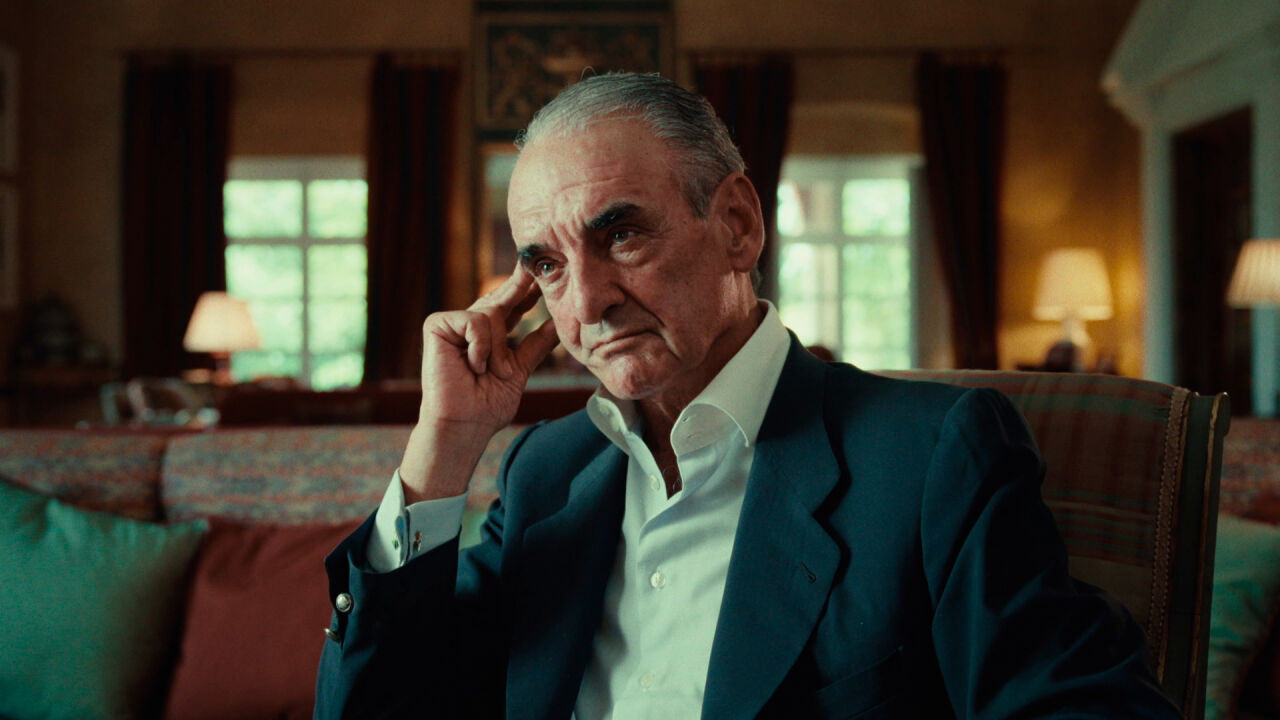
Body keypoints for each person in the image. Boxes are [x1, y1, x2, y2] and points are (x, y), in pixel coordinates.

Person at [316, 72, 1179, 718]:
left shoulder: (931, 455)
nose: (585, 302)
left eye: (621, 234)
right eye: (545, 264)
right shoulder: (549, 470)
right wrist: (441, 451)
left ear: (737, 225)